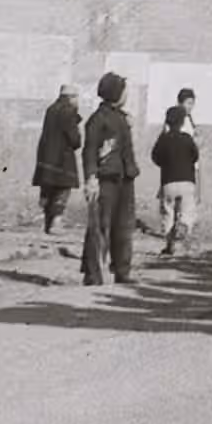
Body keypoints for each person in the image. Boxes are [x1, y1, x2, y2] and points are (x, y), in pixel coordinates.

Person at [82, 71, 138, 285]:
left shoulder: (122, 118)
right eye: (124, 90)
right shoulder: (98, 119)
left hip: (125, 178)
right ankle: (92, 274)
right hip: (105, 179)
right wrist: (90, 178)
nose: (127, 94)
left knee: (123, 227)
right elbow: (89, 151)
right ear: (115, 93)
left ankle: (122, 271)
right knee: (99, 227)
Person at [152, 93, 202, 256]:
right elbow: (195, 155)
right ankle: (183, 226)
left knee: (168, 212)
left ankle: (169, 244)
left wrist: (166, 164)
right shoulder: (187, 138)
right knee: (188, 210)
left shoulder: (164, 139)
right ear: (182, 122)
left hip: (168, 181)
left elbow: (155, 157)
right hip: (187, 180)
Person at [34, 82, 85, 236]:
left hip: (46, 157)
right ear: (71, 97)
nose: (77, 101)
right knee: (63, 190)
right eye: (76, 97)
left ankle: (47, 223)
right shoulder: (68, 112)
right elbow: (74, 139)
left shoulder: (51, 109)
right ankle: (56, 223)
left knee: (48, 189)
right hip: (62, 158)